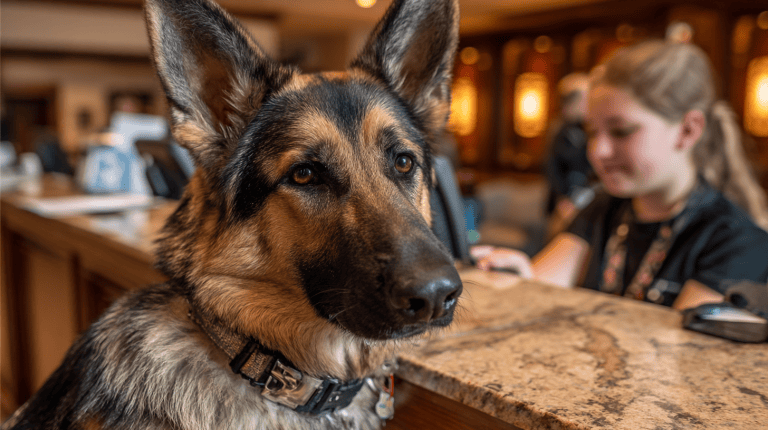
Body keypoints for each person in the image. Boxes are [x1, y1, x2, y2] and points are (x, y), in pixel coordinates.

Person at [474, 40, 768, 310]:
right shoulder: (603, 206)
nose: (597, 151)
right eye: (591, 132)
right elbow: (543, 284)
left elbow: (680, 354)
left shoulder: (736, 239)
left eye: (621, 131)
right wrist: (519, 280)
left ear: (687, 130)